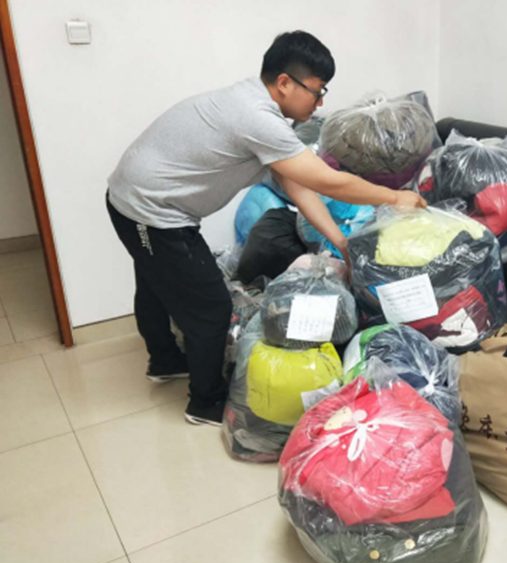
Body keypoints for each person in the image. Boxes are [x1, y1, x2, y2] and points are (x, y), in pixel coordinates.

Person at [106, 30, 427, 426]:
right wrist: (394, 197)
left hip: (141, 200)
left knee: (157, 281)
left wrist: (341, 243)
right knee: (212, 306)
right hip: (148, 209)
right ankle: (205, 402)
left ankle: (166, 361)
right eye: (317, 91)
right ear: (285, 83)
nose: (320, 102)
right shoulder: (256, 119)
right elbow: (327, 181)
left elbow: (300, 187)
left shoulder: (258, 109)